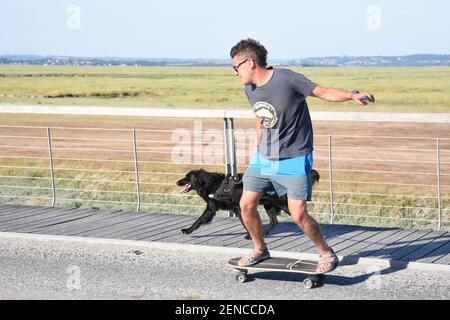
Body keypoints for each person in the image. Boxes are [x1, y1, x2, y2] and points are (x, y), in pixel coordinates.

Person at [230, 38, 375, 273]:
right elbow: (260, 115)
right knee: (246, 204)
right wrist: (259, 146)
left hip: (295, 157)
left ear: (250, 62)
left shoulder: (287, 79)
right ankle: (259, 249)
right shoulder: (250, 88)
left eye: (235, 67)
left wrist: (351, 95)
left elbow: (323, 91)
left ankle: (326, 252)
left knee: (298, 214)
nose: (235, 72)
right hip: (264, 158)